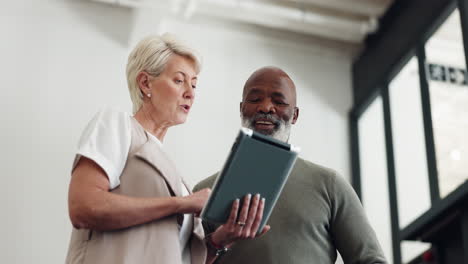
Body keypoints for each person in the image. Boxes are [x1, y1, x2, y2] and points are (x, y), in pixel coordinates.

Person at [65, 34, 269, 264]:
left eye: (194, 84)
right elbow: (84, 206)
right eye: (179, 80)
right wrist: (181, 204)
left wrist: (220, 240)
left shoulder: (179, 182)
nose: (190, 93)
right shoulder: (117, 124)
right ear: (145, 83)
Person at [194, 66, 388, 264]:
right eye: (255, 100)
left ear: (294, 115)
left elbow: (371, 260)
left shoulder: (329, 185)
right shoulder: (204, 193)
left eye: (278, 102)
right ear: (241, 108)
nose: (266, 108)